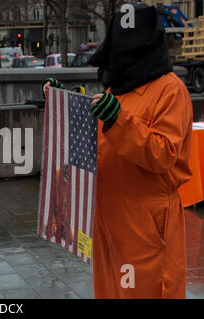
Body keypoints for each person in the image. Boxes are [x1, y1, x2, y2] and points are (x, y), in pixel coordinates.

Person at [43, 4, 192, 298]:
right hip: (109, 213)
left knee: (145, 291)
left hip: (145, 219)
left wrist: (118, 119)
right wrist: (65, 101)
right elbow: (99, 138)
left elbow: (163, 154)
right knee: (112, 290)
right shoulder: (119, 88)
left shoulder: (170, 90)